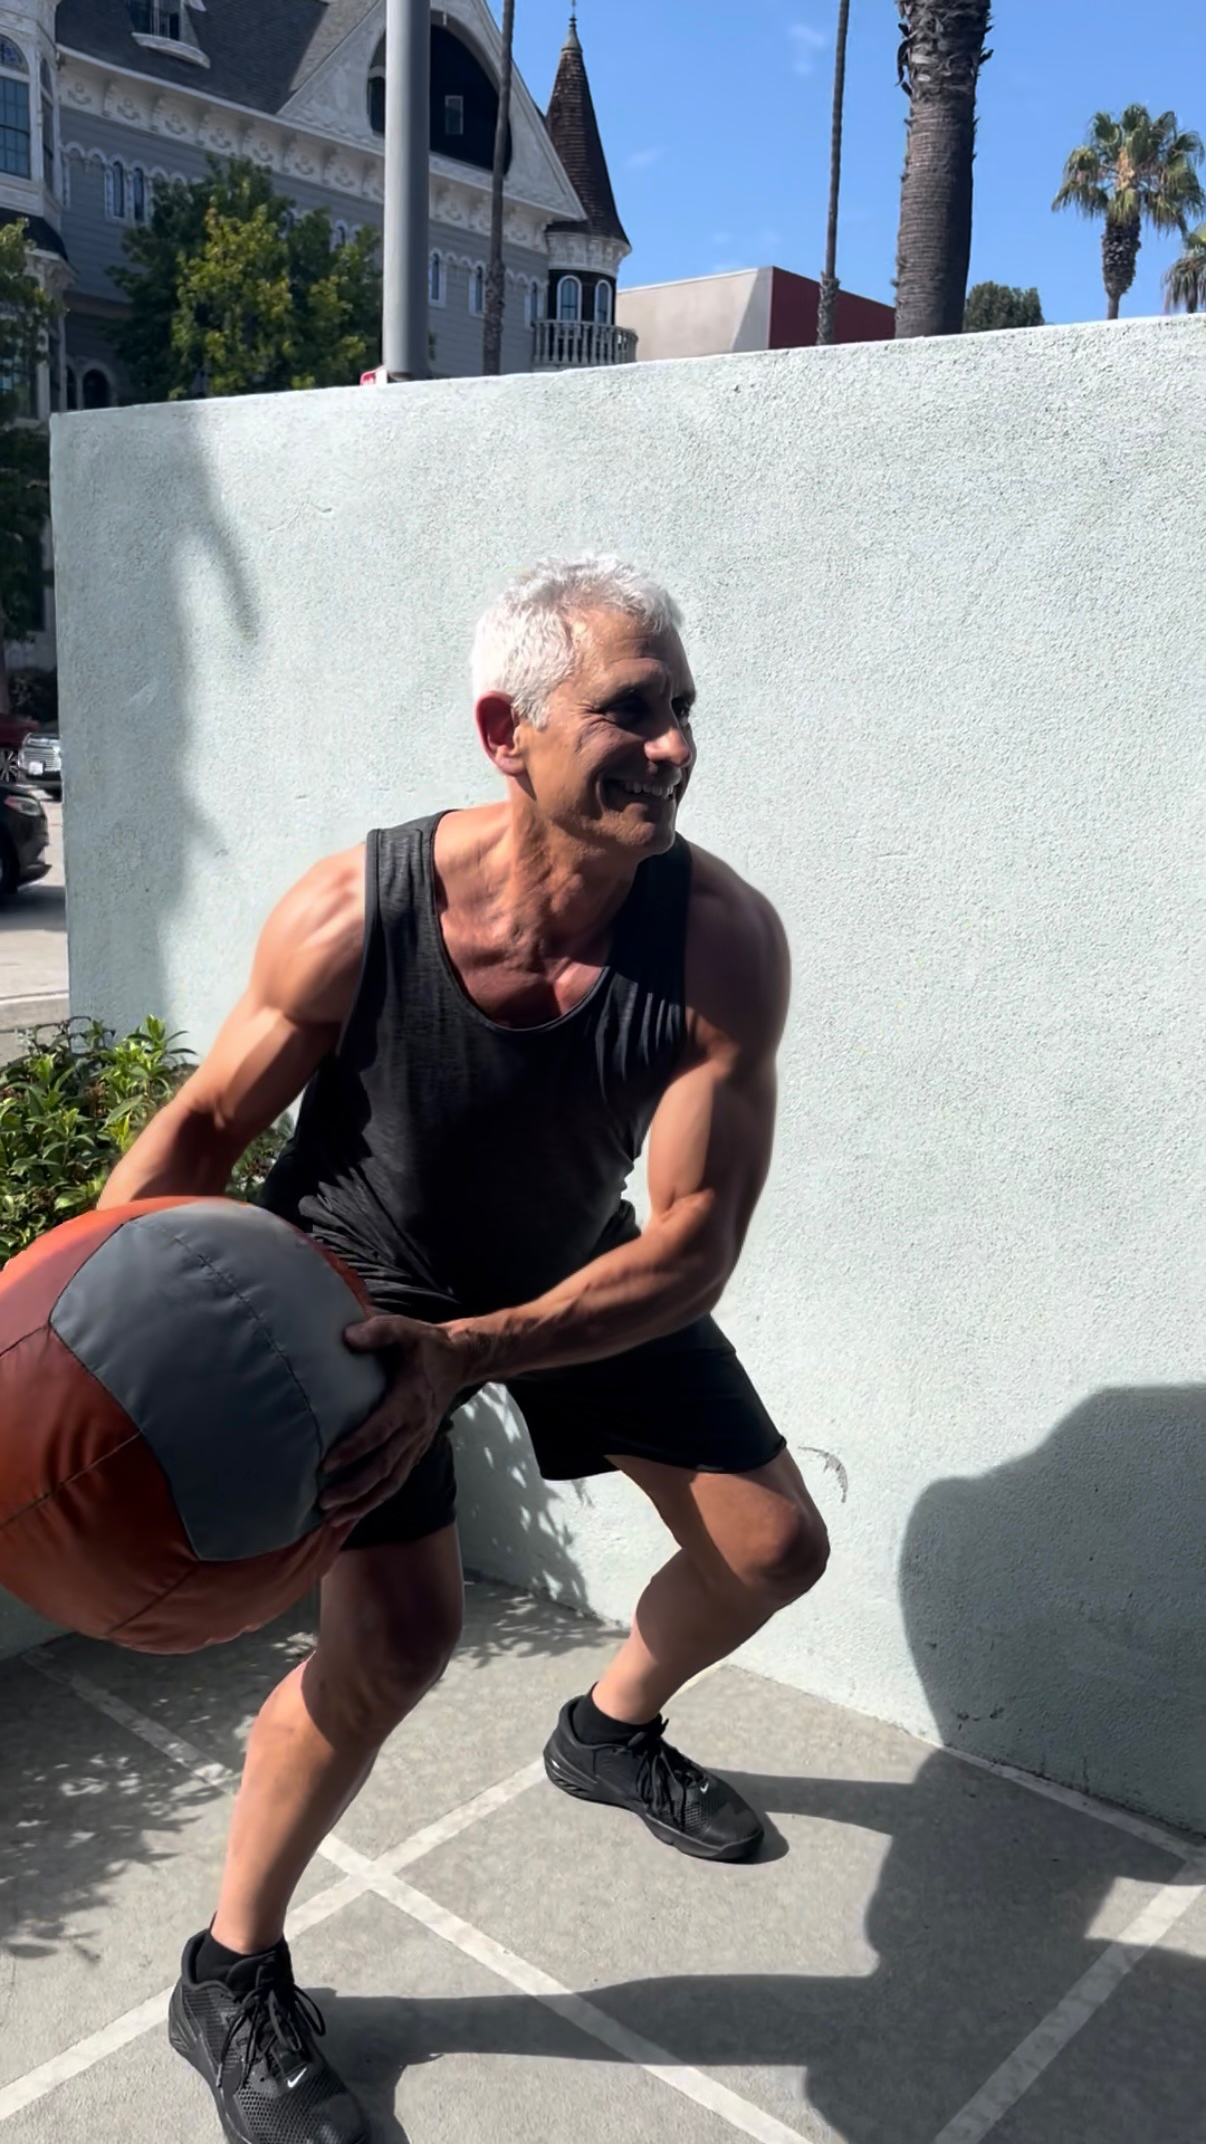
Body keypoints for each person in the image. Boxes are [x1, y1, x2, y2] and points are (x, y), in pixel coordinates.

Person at [100, 557, 830, 2144]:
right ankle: (227, 1972)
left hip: (566, 1277)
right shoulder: (354, 909)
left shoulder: (720, 946)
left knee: (771, 1551)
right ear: (507, 728)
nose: (675, 748)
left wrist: (480, 1350)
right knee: (396, 1648)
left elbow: (694, 1242)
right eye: (628, 713)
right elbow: (207, 1128)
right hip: (354, 1291)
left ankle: (605, 1732)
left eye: (683, 713)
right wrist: (73, 1339)